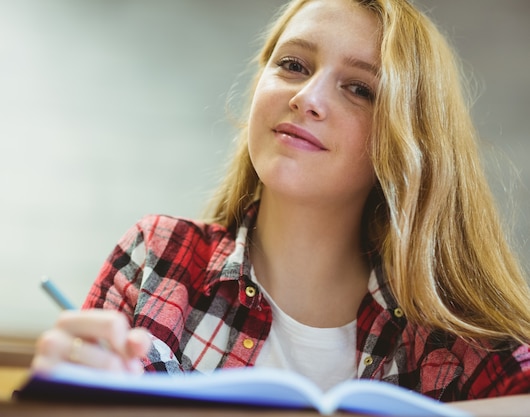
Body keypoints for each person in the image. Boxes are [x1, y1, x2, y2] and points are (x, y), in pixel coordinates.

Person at [31, 0, 530, 402]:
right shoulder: (157, 255)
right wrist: (67, 385)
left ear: (408, 140)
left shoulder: (444, 335)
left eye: (359, 88)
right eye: (292, 65)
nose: (307, 97)